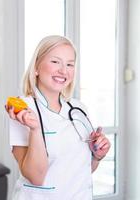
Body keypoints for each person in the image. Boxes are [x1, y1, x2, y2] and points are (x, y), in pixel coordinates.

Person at [6, 35, 111, 200]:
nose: (63, 70)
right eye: (55, 62)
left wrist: (97, 155)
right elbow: (36, 177)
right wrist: (36, 129)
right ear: (36, 67)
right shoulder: (22, 110)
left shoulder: (78, 109)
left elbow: (80, 170)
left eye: (70, 64)